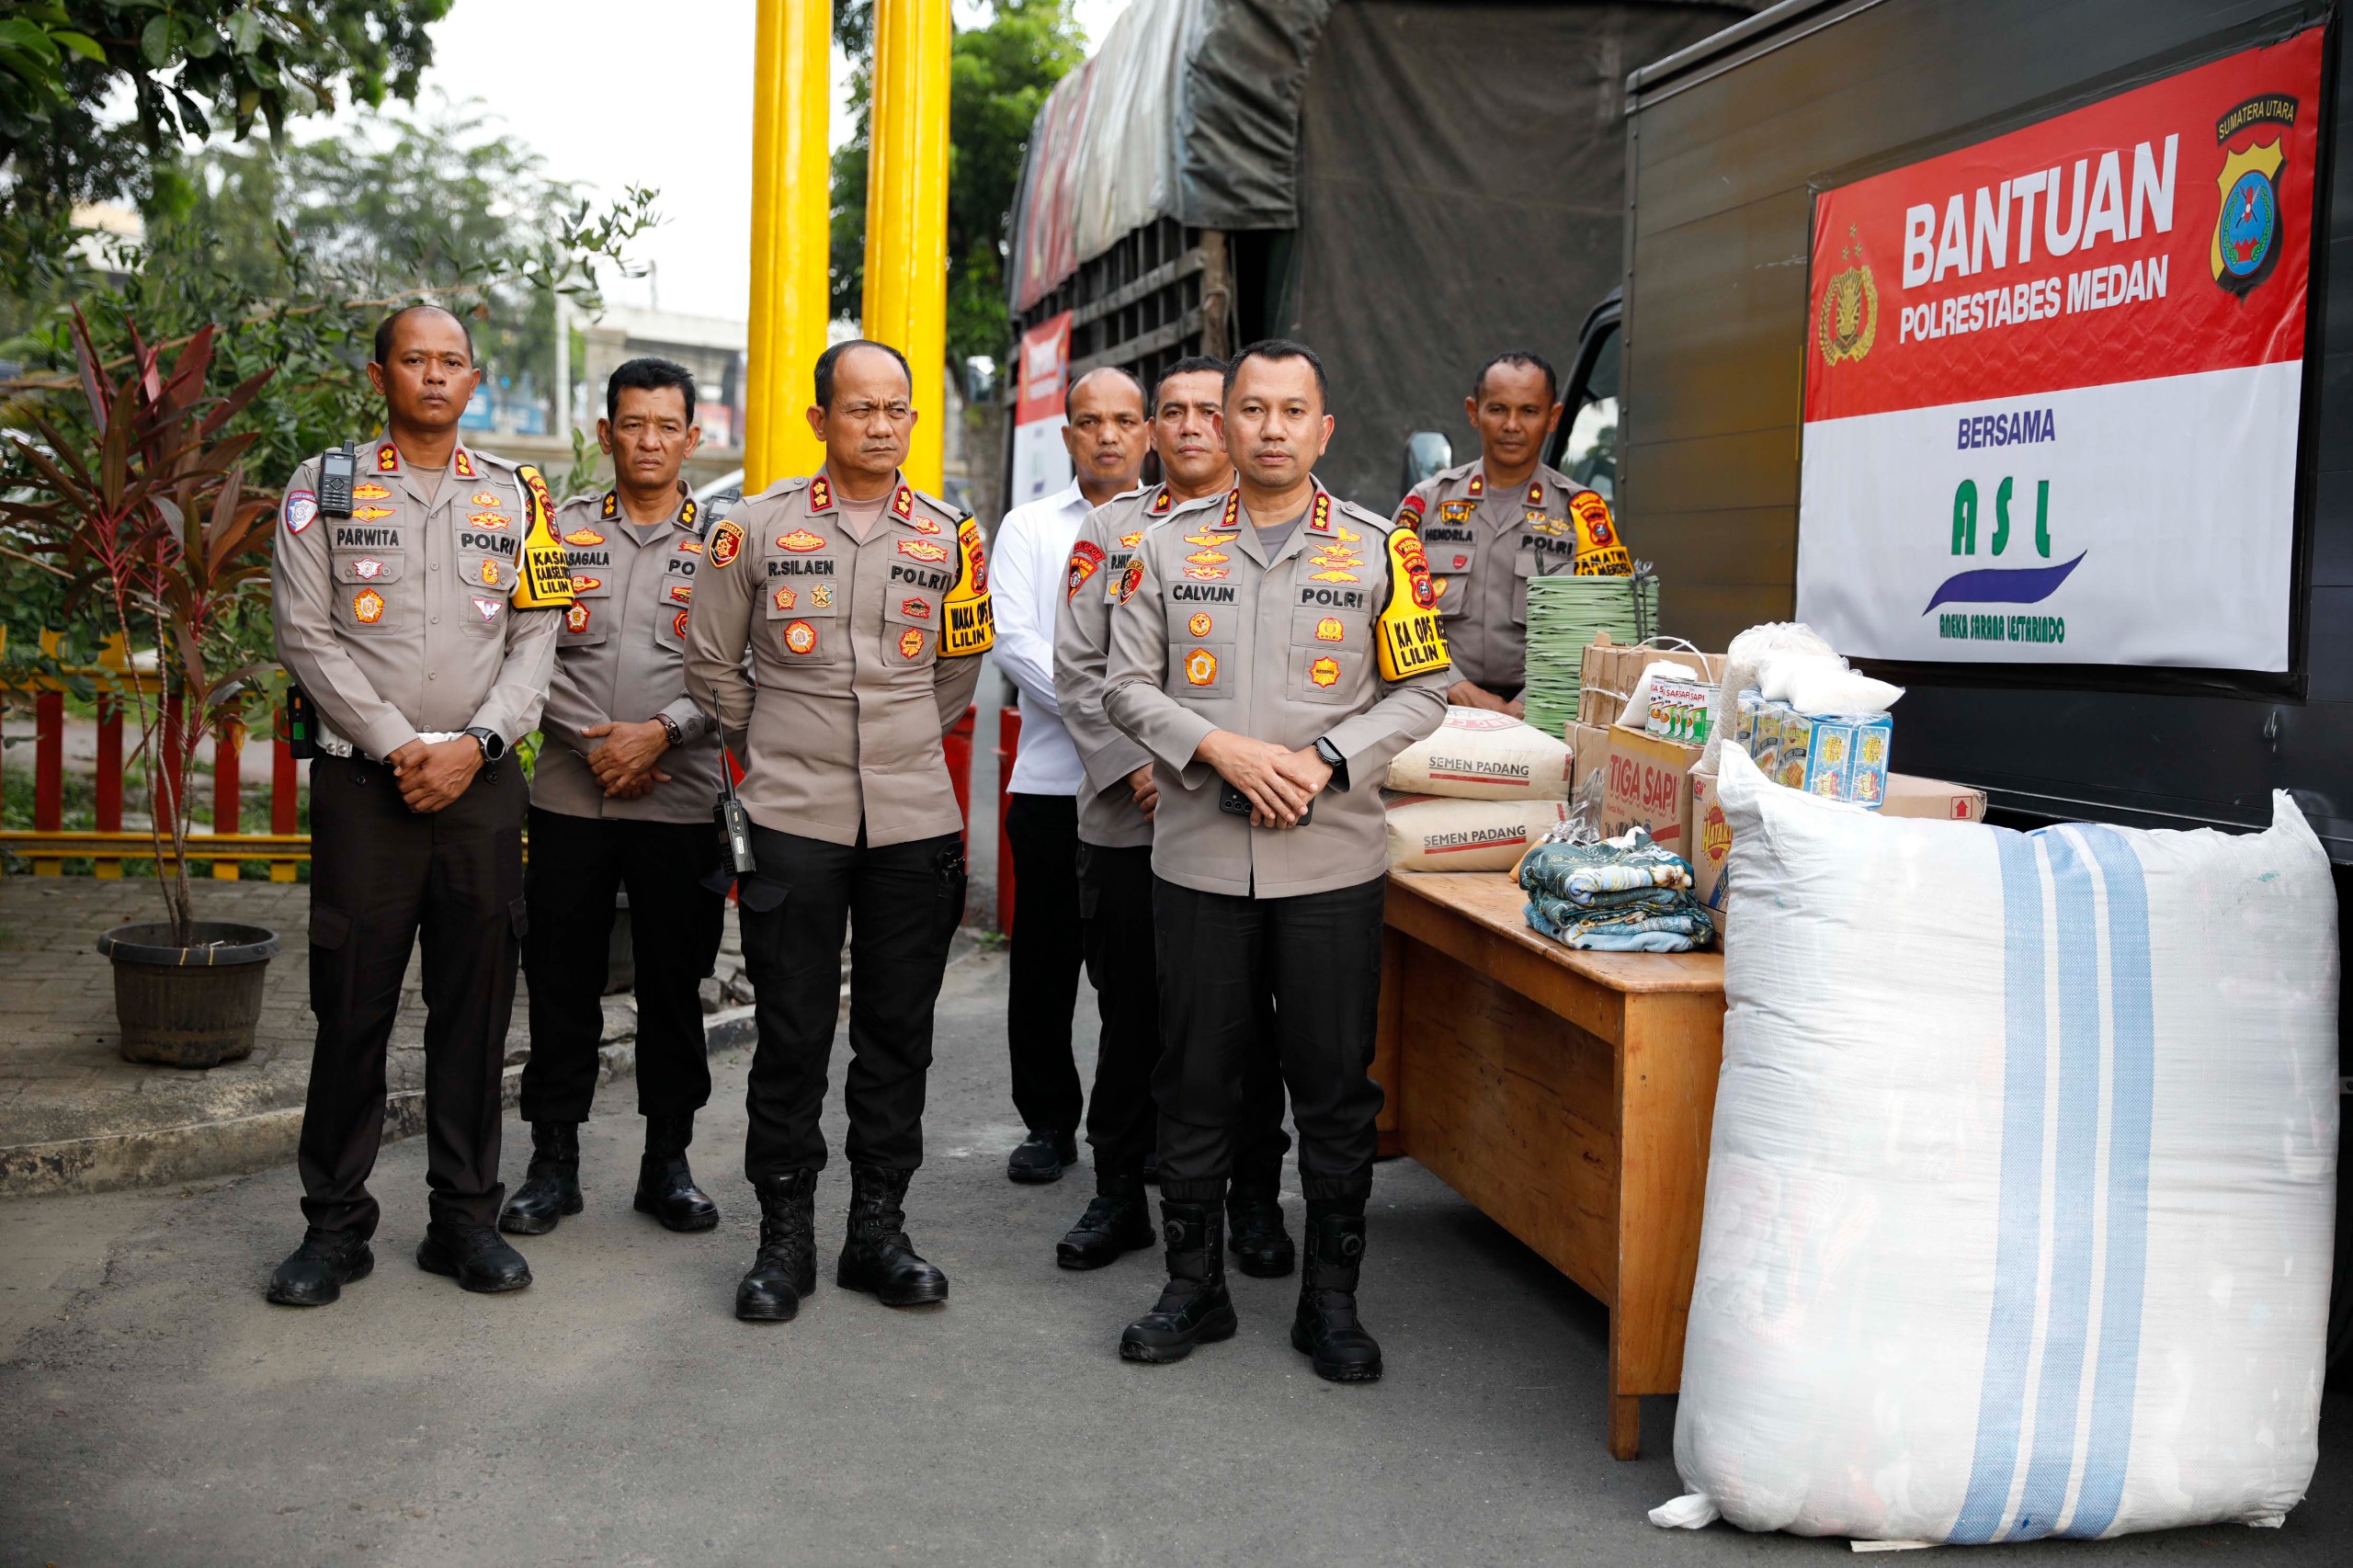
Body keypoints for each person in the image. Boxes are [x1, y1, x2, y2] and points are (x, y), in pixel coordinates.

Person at [1103, 339, 1450, 1381]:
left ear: (1322, 428)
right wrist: (1220, 749)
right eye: (1249, 408)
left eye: (1290, 411)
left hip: (1329, 863)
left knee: (1334, 1088)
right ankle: (1193, 1287)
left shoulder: (1383, 550)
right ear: (1222, 420)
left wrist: (1322, 758)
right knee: (1194, 1080)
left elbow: (1423, 689)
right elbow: (1125, 686)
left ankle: (1330, 1301)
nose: (1266, 428)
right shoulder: (1160, 548)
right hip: (1200, 860)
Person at [264, 303, 573, 1305]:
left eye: (452, 362)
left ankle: (464, 1220)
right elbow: (306, 633)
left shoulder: (518, 497)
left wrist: (476, 744)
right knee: (352, 1003)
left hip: (481, 789)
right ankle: (335, 1227)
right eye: (414, 360)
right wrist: (404, 746)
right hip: (367, 786)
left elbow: (537, 636)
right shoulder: (325, 487)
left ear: (473, 381)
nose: (434, 376)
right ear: (380, 372)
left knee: (475, 1009)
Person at [684, 338, 993, 1324]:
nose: (880, 425)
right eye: (860, 409)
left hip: (911, 821)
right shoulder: (753, 529)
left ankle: (878, 1232)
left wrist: (893, 741)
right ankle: (784, 1239)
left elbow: (957, 669)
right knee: (790, 1035)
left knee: (898, 1037)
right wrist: (773, 740)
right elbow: (712, 663)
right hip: (792, 815)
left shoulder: (952, 535)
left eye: (896, 410)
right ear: (820, 420)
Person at [1049, 355, 1296, 1278]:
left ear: (1235, 421)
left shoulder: (1284, 524)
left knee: (1251, 1023)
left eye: (1208, 409)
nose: (1191, 426)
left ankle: (1256, 1201)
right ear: (1151, 431)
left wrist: (1212, 764)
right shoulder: (1111, 531)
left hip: (1247, 821)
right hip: (1129, 819)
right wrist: (1135, 767)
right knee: (1132, 1018)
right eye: (1173, 412)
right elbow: (1080, 670)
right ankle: (1118, 1194)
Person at [497, 358, 729, 1239]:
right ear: (606, 434)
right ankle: (552, 1163)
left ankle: (666, 1164)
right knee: (560, 981)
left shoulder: (725, 543)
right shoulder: (559, 532)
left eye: (667, 427)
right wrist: (598, 744)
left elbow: (738, 668)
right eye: (632, 424)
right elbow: (526, 654)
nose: (649, 442)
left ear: (692, 440)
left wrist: (658, 734)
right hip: (570, 794)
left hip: (678, 797)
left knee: (676, 985)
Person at [990, 367, 1151, 1184]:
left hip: (1158, 791)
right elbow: (1014, 642)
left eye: (1125, 420)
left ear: (1149, 432)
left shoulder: (1181, 525)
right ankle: (1048, 1123)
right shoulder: (1029, 528)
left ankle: (1137, 1128)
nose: (1109, 436)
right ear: (1068, 436)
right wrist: (1124, 718)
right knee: (1044, 968)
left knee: (1135, 974)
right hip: (1054, 786)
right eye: (1091, 422)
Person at [1392, 350, 1626, 716]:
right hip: (1434, 704)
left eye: (1529, 411)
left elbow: (1607, 628)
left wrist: (1529, 703)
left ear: (1553, 418)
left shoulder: (1583, 511)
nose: (1512, 425)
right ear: (1474, 412)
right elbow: (1391, 607)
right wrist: (1454, 685)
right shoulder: (1427, 502)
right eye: (1498, 409)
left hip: (1548, 710)